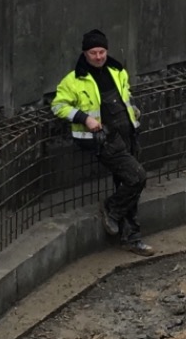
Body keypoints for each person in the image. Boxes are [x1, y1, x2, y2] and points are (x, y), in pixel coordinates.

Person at [52, 29, 150, 254]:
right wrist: (84, 119)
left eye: (102, 52)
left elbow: (126, 96)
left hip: (128, 134)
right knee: (137, 177)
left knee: (129, 185)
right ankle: (111, 209)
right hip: (105, 139)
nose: (98, 57)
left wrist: (133, 111)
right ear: (85, 53)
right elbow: (58, 106)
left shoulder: (117, 71)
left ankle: (132, 238)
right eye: (93, 53)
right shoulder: (74, 80)